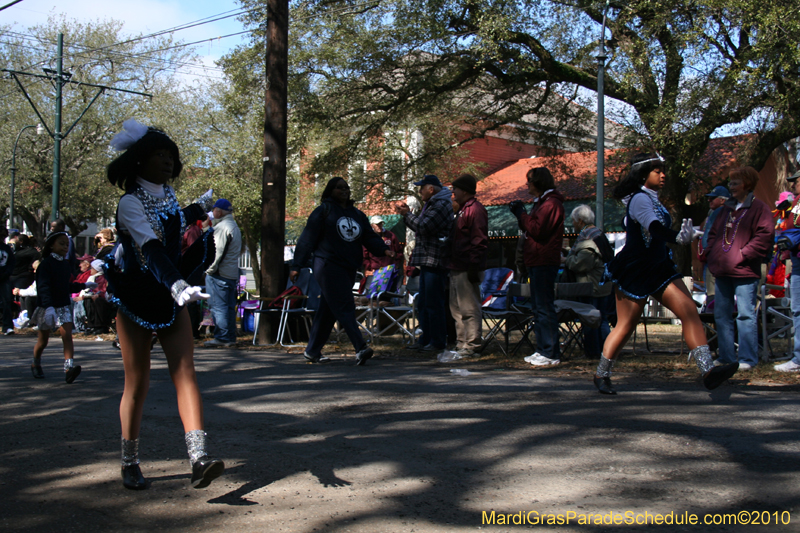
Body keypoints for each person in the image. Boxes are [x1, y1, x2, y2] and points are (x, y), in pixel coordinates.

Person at [104, 118, 223, 491]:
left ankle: (199, 458)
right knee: (136, 384)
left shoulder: (166, 195)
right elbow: (151, 246)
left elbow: (172, 221)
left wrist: (198, 208)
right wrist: (176, 283)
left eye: (170, 155)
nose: (168, 161)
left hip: (172, 297)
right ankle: (129, 461)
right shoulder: (128, 203)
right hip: (139, 298)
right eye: (159, 154)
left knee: (186, 372)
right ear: (139, 160)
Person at [598, 152, 739, 394]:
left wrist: (690, 232)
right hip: (636, 270)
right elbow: (654, 228)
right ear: (643, 175)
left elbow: (660, 230)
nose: (663, 175)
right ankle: (602, 374)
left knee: (689, 311)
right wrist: (676, 237)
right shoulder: (640, 200)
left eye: (663, 171)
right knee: (625, 326)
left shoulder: (654, 199)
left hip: (660, 267)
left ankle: (708, 371)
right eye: (657, 171)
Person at [290, 177, 392, 364]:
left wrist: (383, 249)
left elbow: (369, 237)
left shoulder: (357, 214)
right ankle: (360, 347)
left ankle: (312, 351)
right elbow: (307, 239)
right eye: (339, 188)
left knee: (328, 309)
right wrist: (297, 265)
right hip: (327, 265)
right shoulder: (323, 212)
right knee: (344, 305)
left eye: (346, 187)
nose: (344, 190)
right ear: (330, 191)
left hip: (348, 266)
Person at [703, 167, 774, 371]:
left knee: (745, 315)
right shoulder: (724, 210)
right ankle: (726, 357)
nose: (731, 187)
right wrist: (713, 254)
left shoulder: (760, 208)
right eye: (730, 183)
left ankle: (747, 359)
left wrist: (743, 254)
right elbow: (714, 234)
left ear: (747, 184)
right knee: (721, 315)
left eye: (735, 183)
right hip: (722, 270)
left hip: (745, 271)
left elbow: (765, 235)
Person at [509, 167, 565, 366]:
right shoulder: (543, 203)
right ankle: (543, 349)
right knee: (539, 307)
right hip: (537, 260)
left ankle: (550, 352)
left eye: (529, 181)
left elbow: (537, 229)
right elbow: (532, 227)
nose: (527, 185)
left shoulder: (551, 204)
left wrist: (521, 215)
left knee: (544, 307)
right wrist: (523, 216)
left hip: (543, 260)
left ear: (539, 182)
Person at [395, 175, 454, 351]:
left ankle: (437, 341)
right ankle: (425, 338)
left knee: (434, 303)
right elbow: (421, 225)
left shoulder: (441, 205)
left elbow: (424, 227)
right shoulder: (432, 204)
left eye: (422, 187)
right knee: (424, 302)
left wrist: (407, 214)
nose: (420, 191)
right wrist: (410, 216)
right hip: (427, 260)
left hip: (434, 259)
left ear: (431, 189)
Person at [29, 232, 96, 382]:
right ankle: (36, 362)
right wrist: (48, 306)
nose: (65, 247)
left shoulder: (65, 265)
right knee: (43, 340)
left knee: (67, 336)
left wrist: (84, 285)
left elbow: (65, 286)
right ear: (51, 245)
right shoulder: (45, 264)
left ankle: (69, 368)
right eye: (61, 243)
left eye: (67, 244)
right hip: (47, 306)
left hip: (63, 305)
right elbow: (43, 287)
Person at [563, 205, 614, 359]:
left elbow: (581, 264)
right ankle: (607, 351)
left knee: (591, 320)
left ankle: (595, 352)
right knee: (602, 319)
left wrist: (567, 259)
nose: (572, 224)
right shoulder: (598, 234)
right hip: (603, 285)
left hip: (591, 286)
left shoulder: (587, 238)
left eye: (573, 220)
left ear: (580, 220)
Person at [446, 174, 488, 357]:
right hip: (456, 265)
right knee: (456, 309)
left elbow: (479, 239)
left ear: (464, 190)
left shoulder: (475, 210)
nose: (453, 192)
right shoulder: (462, 210)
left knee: (469, 307)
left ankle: (472, 344)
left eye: (455, 188)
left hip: (467, 266)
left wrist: (474, 265)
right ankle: (461, 343)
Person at [204, 199, 243, 348]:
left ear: (218, 211)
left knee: (218, 306)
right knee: (228, 306)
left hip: (219, 273)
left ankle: (222, 337)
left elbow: (216, 252)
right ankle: (229, 336)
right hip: (230, 273)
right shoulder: (234, 226)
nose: (212, 213)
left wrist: (210, 269)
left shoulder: (222, 228)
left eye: (214, 210)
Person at [775, 170, 800, 372]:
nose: (792, 185)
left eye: (795, 181)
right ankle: (798, 359)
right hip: (796, 259)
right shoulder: (795, 204)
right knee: (797, 309)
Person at [697, 185, 730, 301]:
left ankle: (713, 317)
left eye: (713, 198)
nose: (709, 200)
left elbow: (712, 235)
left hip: (714, 259)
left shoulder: (720, 211)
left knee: (712, 294)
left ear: (722, 200)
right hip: (716, 258)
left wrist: (708, 252)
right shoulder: (715, 212)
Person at [362, 215, 403, 291]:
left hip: (389, 271)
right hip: (374, 271)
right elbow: (365, 256)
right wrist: (368, 268)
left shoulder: (391, 236)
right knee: (374, 295)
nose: (379, 226)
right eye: (377, 224)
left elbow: (399, 251)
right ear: (372, 225)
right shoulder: (368, 237)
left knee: (388, 294)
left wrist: (396, 264)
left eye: (381, 224)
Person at [0, 227, 16, 335]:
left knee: (6, 302)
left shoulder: (6, 248)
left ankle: (7, 326)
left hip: (4, 279)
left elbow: (11, 263)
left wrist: (6, 274)